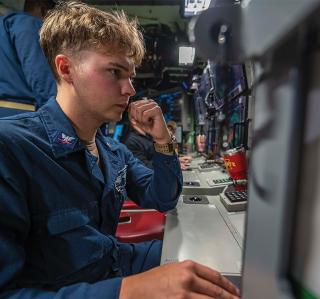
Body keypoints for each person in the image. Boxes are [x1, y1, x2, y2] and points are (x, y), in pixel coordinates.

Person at [0, 2, 241, 299]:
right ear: (66, 69)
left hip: (112, 265)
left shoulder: (112, 152)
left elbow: (162, 198)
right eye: (114, 72)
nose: (129, 89)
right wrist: (130, 291)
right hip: (77, 289)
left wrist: (163, 138)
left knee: (220, 263)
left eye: (130, 76)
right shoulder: (11, 148)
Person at [0, 0, 57, 117]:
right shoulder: (28, 24)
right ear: (44, 10)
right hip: (19, 117)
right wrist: (59, 114)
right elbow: (41, 78)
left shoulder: (5, 27)